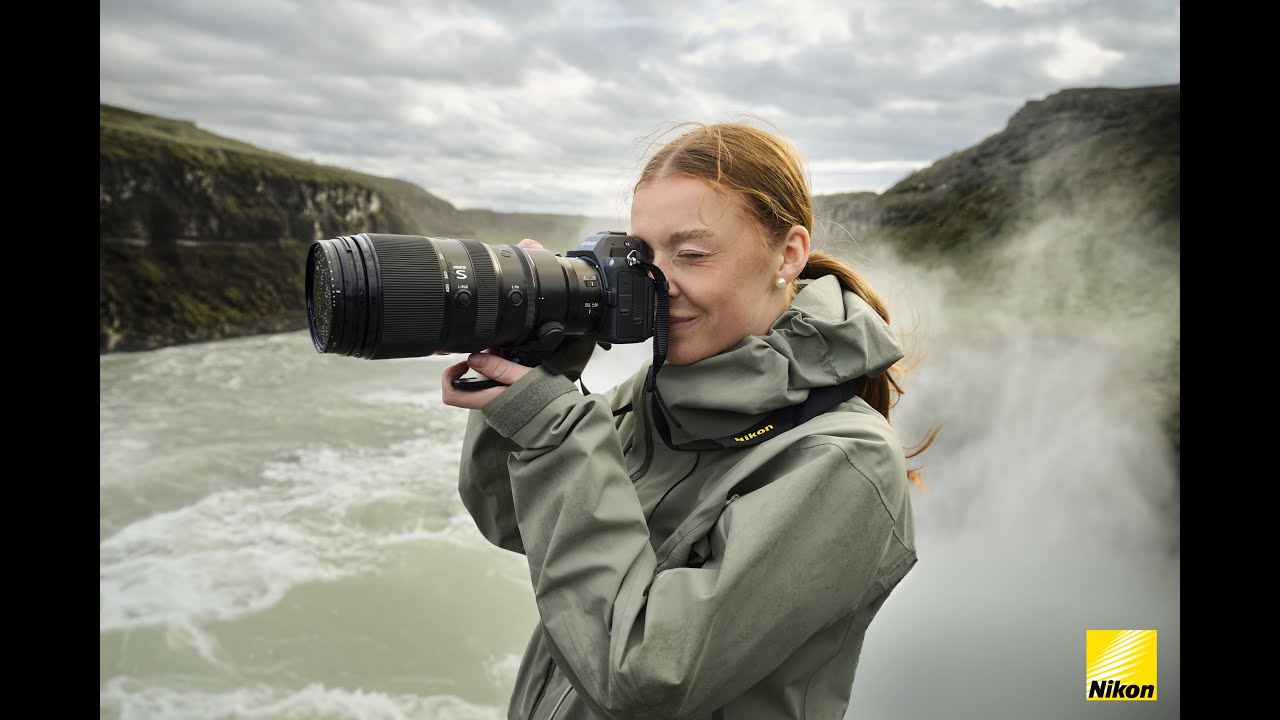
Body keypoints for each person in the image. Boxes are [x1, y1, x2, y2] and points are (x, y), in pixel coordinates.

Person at [441, 121, 934, 719]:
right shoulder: (654, 393)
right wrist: (537, 359)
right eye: (641, 258)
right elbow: (513, 523)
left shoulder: (844, 460)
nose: (659, 285)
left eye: (692, 254)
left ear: (788, 253)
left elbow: (644, 674)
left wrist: (556, 431)